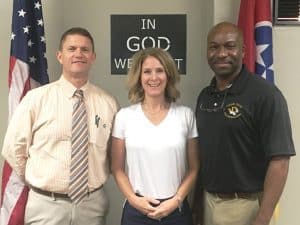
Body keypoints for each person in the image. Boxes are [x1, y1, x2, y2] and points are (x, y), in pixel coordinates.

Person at [2, 27, 119, 225]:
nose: (78, 54)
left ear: (93, 57)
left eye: (85, 49)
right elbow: (14, 149)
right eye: (71, 48)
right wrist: (41, 181)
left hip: (92, 205)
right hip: (46, 205)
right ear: (59, 55)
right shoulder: (36, 99)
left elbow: (114, 155)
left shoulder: (108, 103)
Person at [194, 21, 296, 225]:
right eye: (214, 47)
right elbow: (202, 155)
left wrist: (263, 217)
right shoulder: (205, 96)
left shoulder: (266, 95)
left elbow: (280, 162)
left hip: (245, 206)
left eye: (230, 46)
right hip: (209, 202)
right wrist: (197, 205)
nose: (222, 53)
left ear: (243, 51)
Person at [111, 47, 199, 225]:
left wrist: (176, 200)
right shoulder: (124, 117)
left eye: (160, 71)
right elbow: (117, 168)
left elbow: (194, 168)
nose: (153, 77)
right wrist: (134, 200)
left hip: (176, 211)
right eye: (147, 72)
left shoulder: (186, 115)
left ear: (169, 75)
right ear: (139, 77)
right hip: (136, 211)